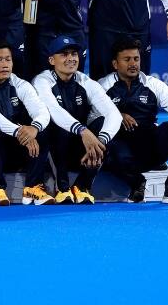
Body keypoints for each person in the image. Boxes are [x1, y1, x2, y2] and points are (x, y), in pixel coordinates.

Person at [99, 37, 168, 204]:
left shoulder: (152, 84)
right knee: (102, 143)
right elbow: (91, 117)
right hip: (120, 153)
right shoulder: (103, 87)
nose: (133, 63)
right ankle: (136, 183)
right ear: (115, 64)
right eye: (127, 59)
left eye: (136, 59)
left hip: (150, 148)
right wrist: (116, 115)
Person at [31, 35, 119, 205]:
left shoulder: (86, 82)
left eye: (74, 54)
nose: (71, 58)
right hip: (52, 148)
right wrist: (83, 130)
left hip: (84, 149)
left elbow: (113, 113)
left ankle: (82, 186)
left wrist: (99, 141)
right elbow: (53, 110)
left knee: (103, 124)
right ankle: (62, 187)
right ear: (51, 60)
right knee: (53, 124)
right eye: (64, 54)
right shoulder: (41, 81)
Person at [0, 41, 54, 206]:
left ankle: (32, 187)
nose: (4, 64)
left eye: (8, 59)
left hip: (17, 143)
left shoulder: (20, 84)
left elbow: (41, 111)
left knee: (43, 128)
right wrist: (20, 132)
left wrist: (34, 129)